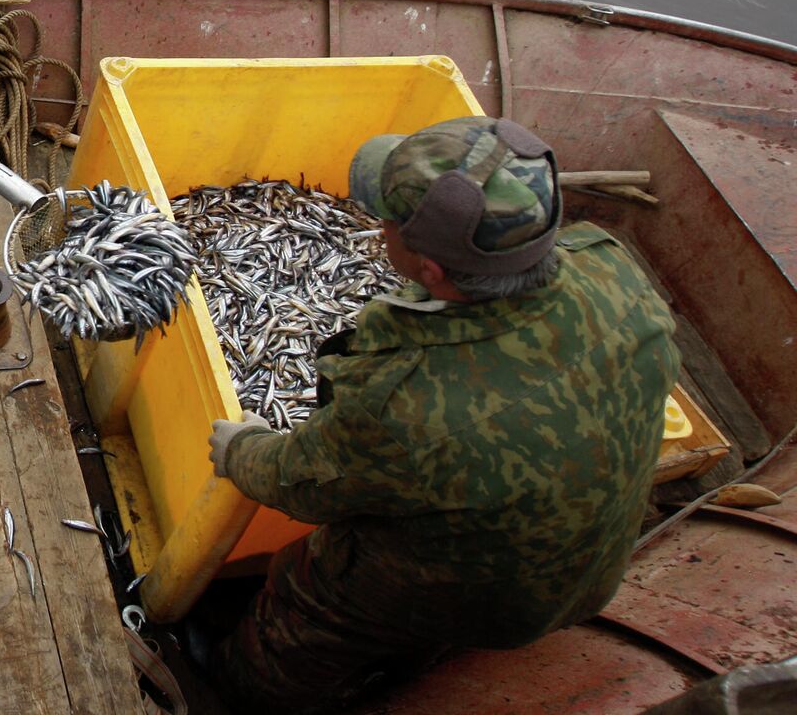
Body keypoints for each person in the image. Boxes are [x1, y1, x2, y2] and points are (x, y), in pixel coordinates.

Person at [202, 116, 682, 713]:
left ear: (430, 269)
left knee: (307, 583)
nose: (379, 227)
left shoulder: (409, 404)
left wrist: (243, 448)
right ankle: (411, 661)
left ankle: (242, 689)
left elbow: (301, 485)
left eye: (387, 220)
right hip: (593, 572)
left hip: (480, 600)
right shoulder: (616, 273)